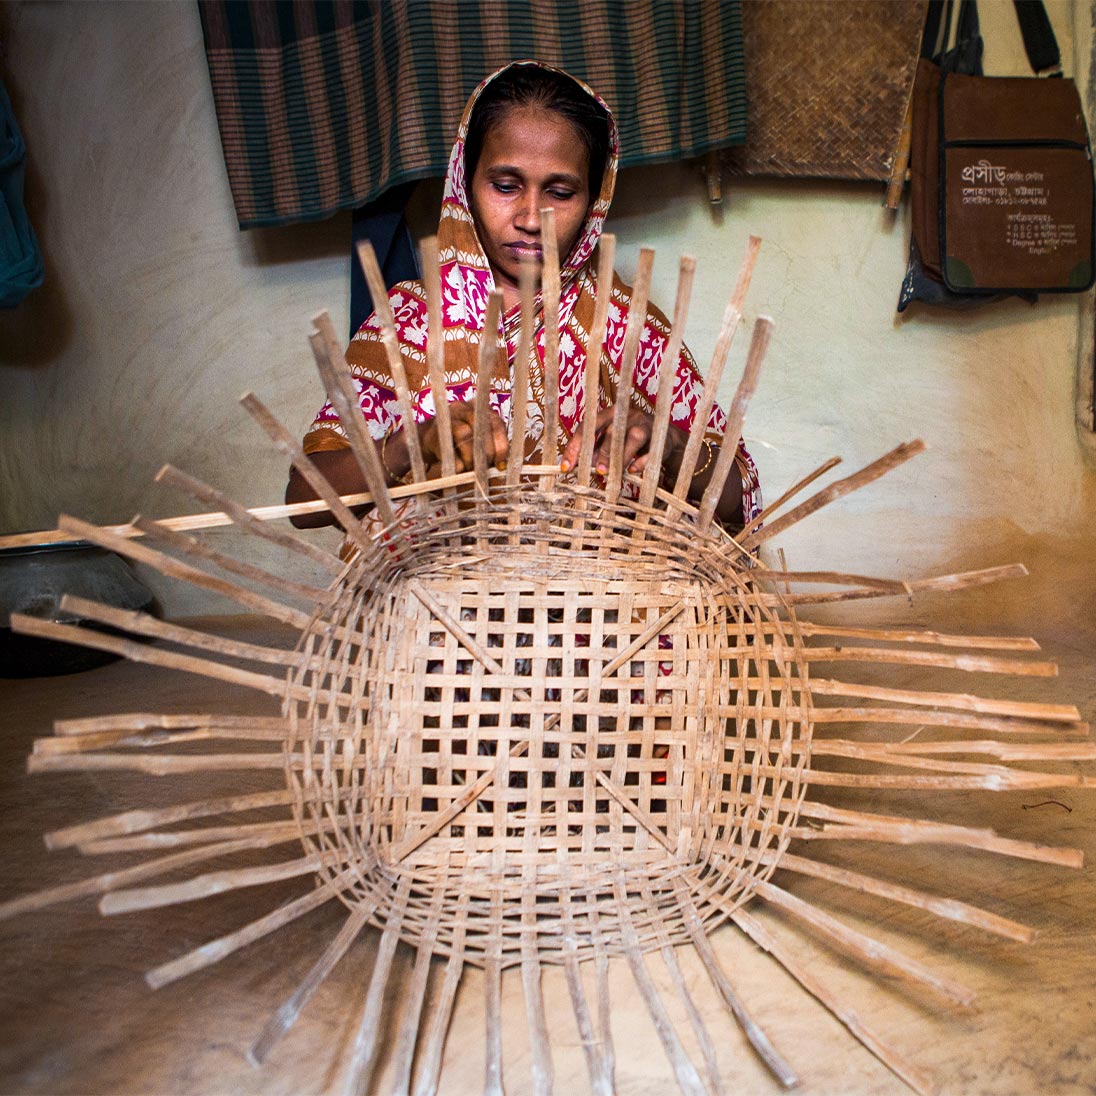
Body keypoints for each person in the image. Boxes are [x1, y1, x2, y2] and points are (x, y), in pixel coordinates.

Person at [287, 61, 761, 531]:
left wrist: (670, 446)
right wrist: (413, 443)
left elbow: (740, 501)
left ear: (594, 200)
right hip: (435, 599)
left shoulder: (622, 324)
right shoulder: (410, 321)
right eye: (505, 185)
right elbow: (304, 502)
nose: (531, 218)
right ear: (464, 183)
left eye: (560, 192)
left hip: (597, 599)